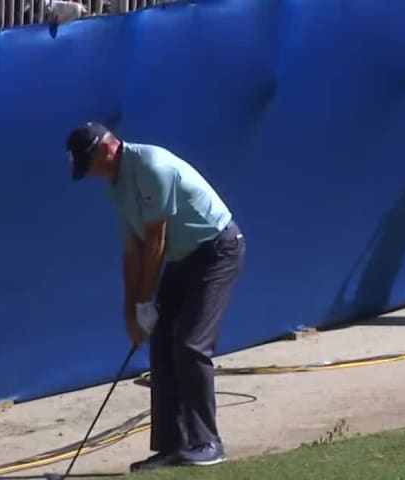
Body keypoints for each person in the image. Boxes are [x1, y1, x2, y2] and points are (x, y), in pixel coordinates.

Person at [66, 122, 246, 472]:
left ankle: (208, 442)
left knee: (191, 344)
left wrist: (146, 302)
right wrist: (132, 313)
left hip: (217, 251)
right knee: (161, 344)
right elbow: (132, 250)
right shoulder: (116, 186)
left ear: (107, 149)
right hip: (183, 259)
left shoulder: (152, 166)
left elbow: (156, 241)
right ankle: (172, 445)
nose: (91, 173)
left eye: (90, 164)